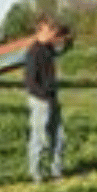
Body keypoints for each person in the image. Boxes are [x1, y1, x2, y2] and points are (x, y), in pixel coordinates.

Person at [23, 15, 65, 183]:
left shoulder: (49, 49)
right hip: (40, 101)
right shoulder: (33, 52)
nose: (53, 33)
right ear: (40, 31)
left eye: (53, 30)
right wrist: (43, 96)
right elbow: (30, 82)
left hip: (52, 98)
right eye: (49, 30)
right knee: (39, 139)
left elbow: (64, 45)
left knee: (59, 137)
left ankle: (56, 171)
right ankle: (36, 173)